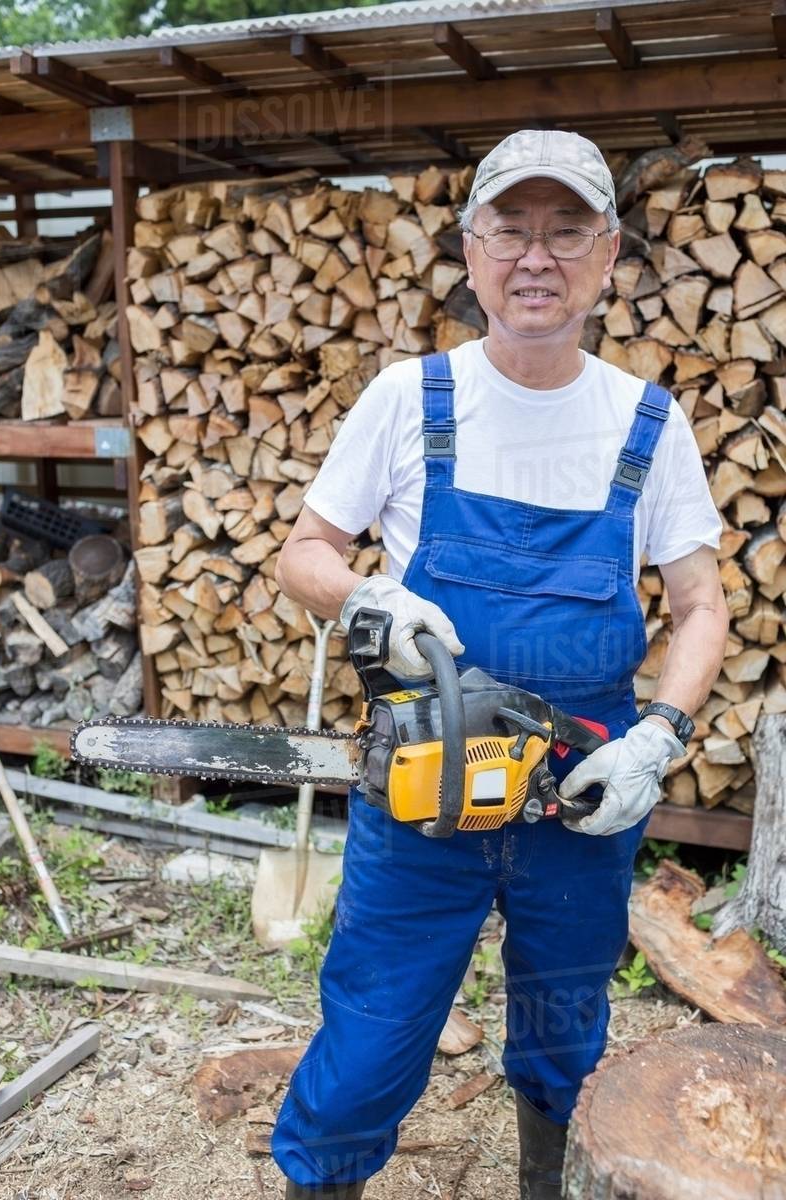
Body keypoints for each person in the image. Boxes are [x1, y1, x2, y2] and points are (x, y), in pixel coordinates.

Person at [270, 129, 729, 1198]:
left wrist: (657, 740)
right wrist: (366, 596)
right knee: (371, 1033)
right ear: (470, 252)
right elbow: (303, 553)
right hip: (422, 794)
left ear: (607, 255)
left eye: (566, 231)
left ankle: (544, 1181)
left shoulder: (648, 424)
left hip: (577, 800)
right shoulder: (407, 398)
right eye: (509, 229)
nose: (536, 257)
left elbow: (701, 605)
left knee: (565, 1032)